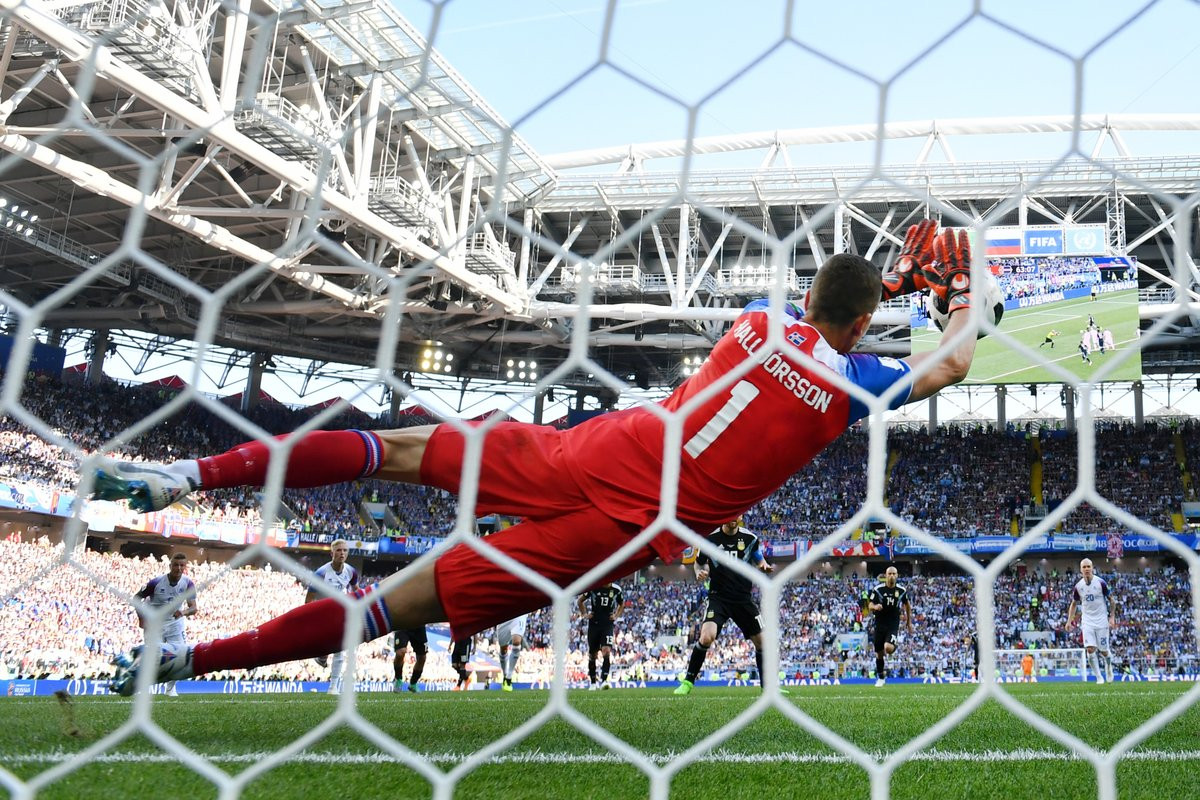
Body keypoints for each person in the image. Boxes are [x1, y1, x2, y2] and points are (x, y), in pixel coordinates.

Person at [97, 224, 984, 695]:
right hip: (634, 526)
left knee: (398, 451)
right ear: (866, 329)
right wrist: (963, 290)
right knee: (401, 602)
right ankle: (185, 665)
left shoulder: (758, 320)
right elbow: (952, 361)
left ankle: (187, 475)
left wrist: (896, 283)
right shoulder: (849, 391)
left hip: (603, 448)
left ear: (809, 297)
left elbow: (835, 306)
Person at [673, 518, 773, 695]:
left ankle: (768, 688)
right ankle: (688, 682)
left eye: (738, 515)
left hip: (743, 599)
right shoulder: (709, 540)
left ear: (741, 517)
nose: (734, 519)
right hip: (719, 597)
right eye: (731, 515)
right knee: (706, 637)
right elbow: (698, 562)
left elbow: (758, 558)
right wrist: (699, 572)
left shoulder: (750, 538)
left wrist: (763, 565)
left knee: (762, 642)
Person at [124, 552, 197, 697]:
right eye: (175, 565)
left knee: (181, 655)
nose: (178, 568)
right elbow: (136, 598)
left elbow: (194, 608)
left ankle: (170, 688)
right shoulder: (156, 583)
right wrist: (142, 619)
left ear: (185, 567)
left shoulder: (188, 584)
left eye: (182, 565)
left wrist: (183, 612)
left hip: (175, 624)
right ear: (170, 566)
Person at [307, 539, 360, 694]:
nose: (342, 553)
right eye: (338, 550)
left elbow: (356, 590)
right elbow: (309, 598)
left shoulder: (351, 571)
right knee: (326, 645)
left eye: (344, 550)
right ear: (332, 553)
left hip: (340, 611)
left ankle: (333, 686)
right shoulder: (321, 573)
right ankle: (321, 656)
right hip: (323, 611)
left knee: (340, 647)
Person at [1066, 557, 1116, 684]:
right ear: (1081, 570)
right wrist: (1069, 621)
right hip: (1087, 621)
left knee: (1104, 651)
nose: (1087, 569)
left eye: (1089, 566)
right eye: (1084, 567)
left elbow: (1112, 600)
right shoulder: (1078, 586)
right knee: (1090, 649)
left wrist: (1112, 617)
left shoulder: (1101, 583)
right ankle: (1099, 677)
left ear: (1092, 568)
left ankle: (1108, 667)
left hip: (1101, 621)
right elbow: (1073, 604)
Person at [868, 565, 912, 687]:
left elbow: (907, 605)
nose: (892, 576)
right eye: (890, 574)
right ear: (886, 575)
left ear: (897, 576)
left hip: (893, 623)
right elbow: (870, 605)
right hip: (879, 623)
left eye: (894, 574)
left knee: (888, 648)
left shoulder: (901, 591)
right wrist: (875, 607)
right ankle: (881, 677)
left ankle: (894, 644)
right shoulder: (878, 590)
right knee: (879, 653)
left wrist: (908, 622)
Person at [577, 583, 624, 690]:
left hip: (607, 624)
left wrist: (616, 615)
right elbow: (579, 601)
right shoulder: (593, 587)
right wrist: (584, 614)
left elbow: (622, 604)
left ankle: (604, 681)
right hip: (594, 625)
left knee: (606, 651)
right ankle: (593, 683)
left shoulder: (616, 590)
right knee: (593, 655)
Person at [494, 614, 528, 692]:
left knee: (516, 642)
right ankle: (505, 675)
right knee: (503, 649)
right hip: (504, 616)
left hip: (520, 614)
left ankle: (509, 677)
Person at [392, 627, 428, 693]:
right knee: (400, 652)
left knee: (422, 658)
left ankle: (413, 684)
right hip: (403, 623)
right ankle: (398, 679)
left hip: (419, 626)